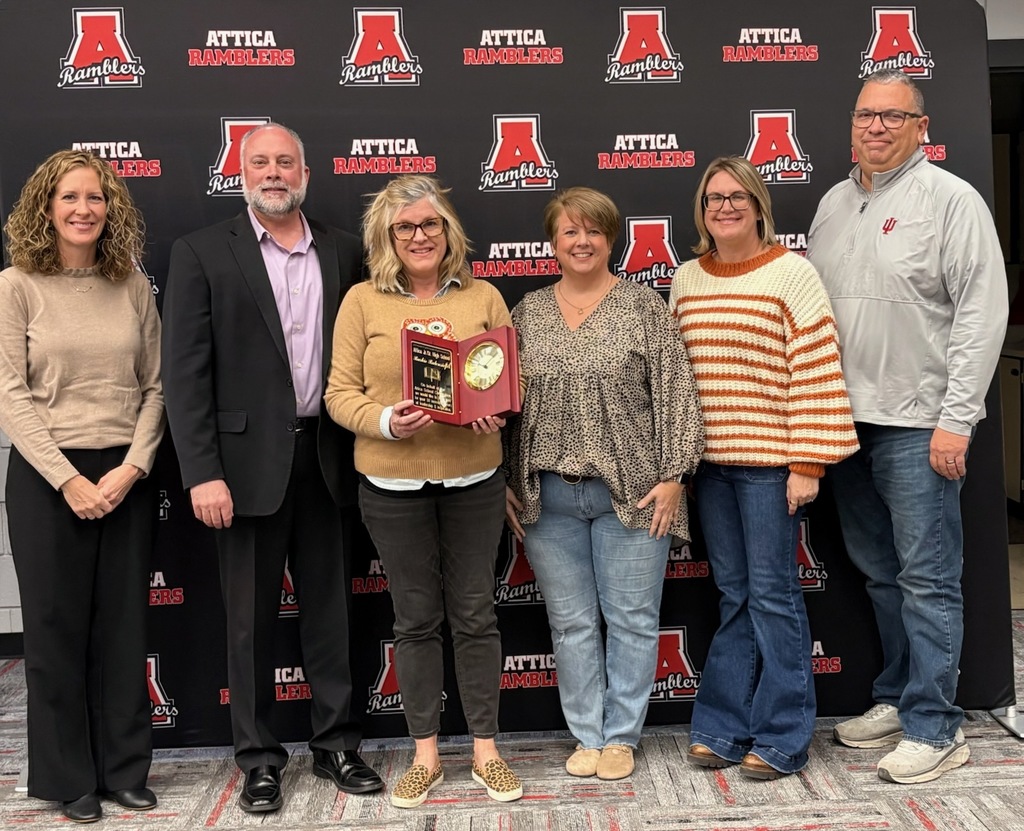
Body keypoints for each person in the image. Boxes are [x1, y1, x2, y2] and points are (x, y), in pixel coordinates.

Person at [161, 123, 382, 812]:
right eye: (260, 161)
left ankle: (338, 744)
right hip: (241, 466)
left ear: (307, 173)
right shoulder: (200, 252)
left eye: (286, 161)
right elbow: (185, 376)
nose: (274, 171)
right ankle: (258, 758)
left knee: (331, 614)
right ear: (240, 170)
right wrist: (201, 472)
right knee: (249, 622)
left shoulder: (346, 250)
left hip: (328, 455)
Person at [807, 69, 1008, 784]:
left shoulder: (951, 201)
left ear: (922, 126)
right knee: (881, 573)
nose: (877, 127)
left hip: (919, 425)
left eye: (894, 116)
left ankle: (936, 723)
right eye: (866, 114)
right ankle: (899, 693)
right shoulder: (833, 203)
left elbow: (983, 313)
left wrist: (957, 420)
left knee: (927, 578)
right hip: (845, 425)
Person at [325, 174, 523, 808]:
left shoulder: (485, 297)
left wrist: (499, 412)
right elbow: (337, 395)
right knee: (415, 622)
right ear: (387, 236)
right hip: (392, 482)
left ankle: (487, 751)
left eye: (430, 224)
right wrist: (386, 420)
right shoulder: (361, 301)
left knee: (475, 615)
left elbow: (503, 384)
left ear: (448, 232)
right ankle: (426, 755)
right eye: (405, 227)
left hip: (474, 479)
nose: (419, 236)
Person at [505, 186, 704, 781]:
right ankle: (586, 734)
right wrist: (504, 480)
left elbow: (677, 395)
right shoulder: (526, 314)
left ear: (611, 239)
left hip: (635, 494)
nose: (582, 241)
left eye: (593, 231)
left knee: (633, 618)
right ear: (553, 243)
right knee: (569, 623)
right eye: (570, 231)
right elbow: (504, 407)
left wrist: (674, 477)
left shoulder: (643, 308)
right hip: (550, 496)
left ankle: (621, 735)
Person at [669, 156, 858, 780]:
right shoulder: (687, 278)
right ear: (702, 210)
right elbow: (679, 380)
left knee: (774, 597)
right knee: (733, 596)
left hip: (772, 466)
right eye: (713, 198)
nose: (724, 207)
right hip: (712, 470)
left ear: (758, 206)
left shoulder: (793, 275)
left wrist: (807, 462)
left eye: (736, 197)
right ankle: (723, 726)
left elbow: (816, 371)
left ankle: (782, 736)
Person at [0, 150, 163, 823]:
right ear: (46, 208)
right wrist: (68, 479)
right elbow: (10, 392)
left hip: (124, 474)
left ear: (111, 208)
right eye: (70, 197)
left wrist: (131, 468)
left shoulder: (133, 285)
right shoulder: (15, 285)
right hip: (46, 479)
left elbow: (158, 388)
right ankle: (68, 779)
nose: (83, 209)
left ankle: (125, 771)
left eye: (95, 198)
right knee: (55, 631)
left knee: (125, 628)